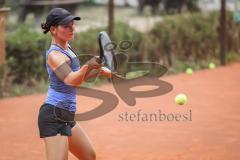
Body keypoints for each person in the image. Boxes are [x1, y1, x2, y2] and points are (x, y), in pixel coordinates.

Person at [38, 8, 112, 160]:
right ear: (53, 29)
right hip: (53, 115)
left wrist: (97, 70)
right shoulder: (55, 55)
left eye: (72, 24)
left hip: (66, 115)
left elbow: (79, 79)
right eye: (66, 26)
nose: (72, 28)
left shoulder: (68, 48)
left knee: (89, 156)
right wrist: (88, 65)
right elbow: (70, 79)